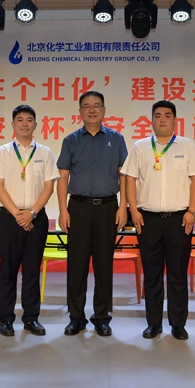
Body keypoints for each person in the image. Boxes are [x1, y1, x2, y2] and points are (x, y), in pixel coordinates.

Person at [122, 100, 195, 340]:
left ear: (175, 120)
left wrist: (192, 211)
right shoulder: (140, 147)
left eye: (167, 115)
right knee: (152, 274)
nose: (162, 119)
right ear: (151, 120)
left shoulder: (187, 146)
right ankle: (154, 323)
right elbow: (130, 180)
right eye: (157, 115)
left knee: (178, 274)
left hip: (179, 220)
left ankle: (178, 324)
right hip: (148, 220)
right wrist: (133, 211)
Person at [57, 90, 128, 337]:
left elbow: (123, 176)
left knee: (103, 266)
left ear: (104, 110)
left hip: (108, 208)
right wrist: (63, 210)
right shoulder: (71, 141)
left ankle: (101, 318)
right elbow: (63, 178)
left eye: (97, 105)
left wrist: (123, 207)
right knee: (76, 266)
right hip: (78, 208)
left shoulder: (116, 139)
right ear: (80, 111)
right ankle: (76, 318)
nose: (92, 110)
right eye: (86, 106)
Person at [0, 105, 59, 337]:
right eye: (20, 120)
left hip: (36, 219)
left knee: (32, 271)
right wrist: (19, 215)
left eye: (29, 120)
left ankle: (31, 318)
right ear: (13, 124)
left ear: (35, 125)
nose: (24, 124)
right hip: (9, 219)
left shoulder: (45, 153)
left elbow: (49, 187)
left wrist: (32, 213)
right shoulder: (2, 152)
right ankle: (5, 319)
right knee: (8, 271)